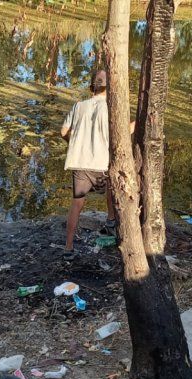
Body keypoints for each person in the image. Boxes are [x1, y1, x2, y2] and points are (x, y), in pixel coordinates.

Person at [60, 70, 133, 261]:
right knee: (112, 189)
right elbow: (123, 132)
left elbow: (63, 131)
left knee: (77, 205)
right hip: (102, 163)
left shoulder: (79, 106)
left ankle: (68, 248)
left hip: (80, 163)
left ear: (92, 86)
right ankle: (111, 221)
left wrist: (74, 143)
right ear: (110, 87)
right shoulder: (111, 108)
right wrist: (139, 122)